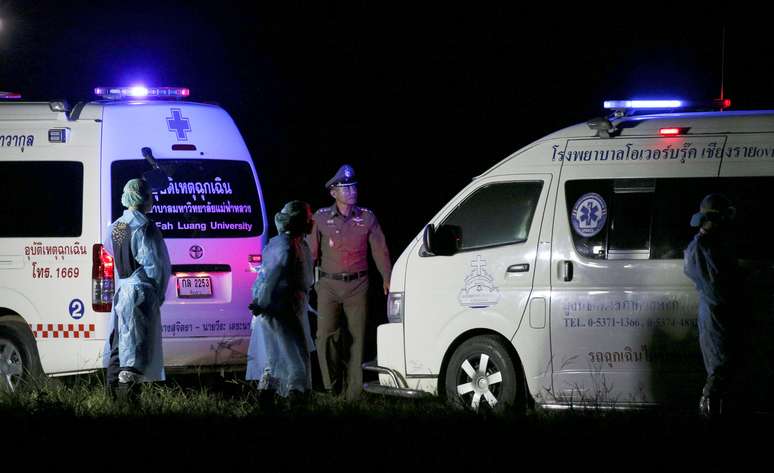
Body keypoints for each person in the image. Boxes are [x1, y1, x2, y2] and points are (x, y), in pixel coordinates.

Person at [309, 164, 392, 400]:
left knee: (358, 337)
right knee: (326, 336)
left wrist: (386, 277)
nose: (352, 191)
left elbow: (380, 250)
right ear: (333, 193)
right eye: (345, 188)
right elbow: (311, 253)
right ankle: (331, 387)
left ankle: (354, 393)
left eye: (353, 186)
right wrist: (304, 283)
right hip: (328, 286)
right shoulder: (321, 218)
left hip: (358, 285)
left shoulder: (367, 217)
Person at [104, 178, 171, 401]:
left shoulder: (118, 226)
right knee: (136, 348)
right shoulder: (145, 226)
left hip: (123, 291)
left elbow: (113, 252)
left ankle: (112, 397)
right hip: (141, 293)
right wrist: (158, 294)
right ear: (144, 197)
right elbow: (155, 265)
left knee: (119, 343)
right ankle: (128, 402)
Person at [246, 201, 315, 407]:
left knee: (274, 358)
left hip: (290, 307)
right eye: (308, 218)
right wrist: (262, 302)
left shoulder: (298, 243)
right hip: (281, 310)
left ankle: (266, 402)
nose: (311, 223)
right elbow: (269, 277)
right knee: (295, 360)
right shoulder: (284, 245)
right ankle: (296, 403)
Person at [683, 193, 740, 418]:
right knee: (719, 368)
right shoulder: (701, 248)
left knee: (724, 367)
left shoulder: (710, 245)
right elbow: (717, 286)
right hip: (716, 312)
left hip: (718, 311)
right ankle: (710, 416)